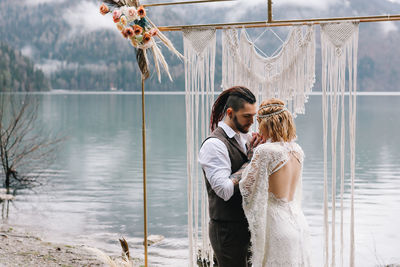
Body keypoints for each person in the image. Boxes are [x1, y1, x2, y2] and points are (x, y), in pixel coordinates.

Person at [239, 98, 313, 267]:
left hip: (276, 225)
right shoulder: (297, 150)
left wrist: (249, 159)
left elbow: (246, 187)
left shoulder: (265, 151)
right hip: (297, 221)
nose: (258, 127)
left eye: (259, 122)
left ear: (267, 124)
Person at [198, 86, 264, 267]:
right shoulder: (214, 145)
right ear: (230, 112)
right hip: (227, 232)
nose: (252, 121)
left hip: (248, 227)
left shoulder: (246, 137)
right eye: (247, 116)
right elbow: (225, 191)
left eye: (254, 115)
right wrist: (251, 162)